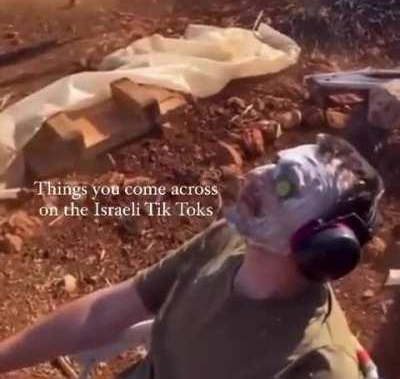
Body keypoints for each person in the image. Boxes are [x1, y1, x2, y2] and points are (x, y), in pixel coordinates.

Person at [0, 134, 384, 378]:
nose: (257, 175)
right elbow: (105, 311)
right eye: (276, 162)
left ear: (324, 246)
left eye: (287, 184)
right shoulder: (224, 241)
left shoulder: (317, 366)